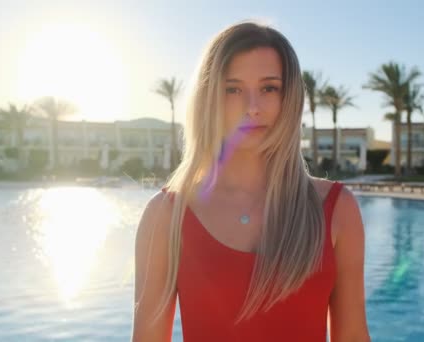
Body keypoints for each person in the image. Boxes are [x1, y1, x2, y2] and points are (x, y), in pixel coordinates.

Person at [132, 21, 370, 342]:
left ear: (290, 98)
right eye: (233, 89)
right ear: (209, 99)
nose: (252, 108)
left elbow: (353, 336)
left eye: (269, 88)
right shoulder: (166, 215)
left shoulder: (337, 210)